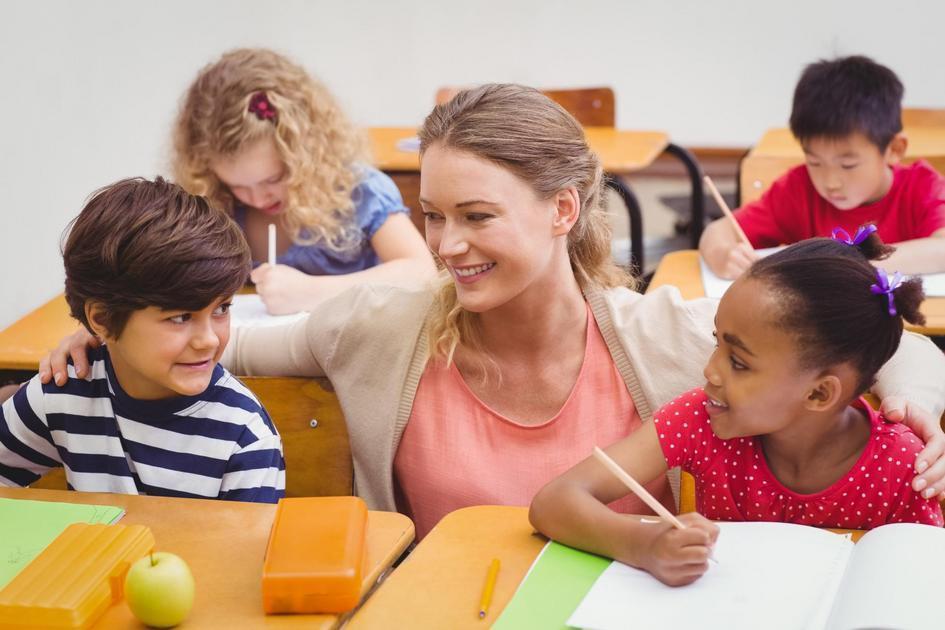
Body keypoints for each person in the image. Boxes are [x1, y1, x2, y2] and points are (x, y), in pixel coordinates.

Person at [40, 86, 945, 538]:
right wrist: (106, 331)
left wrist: (930, 405)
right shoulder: (377, 330)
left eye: (476, 216)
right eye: (432, 215)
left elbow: (878, 335)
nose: (444, 245)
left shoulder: (663, 338)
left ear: (560, 210)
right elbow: (221, 343)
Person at [529, 230, 943, 586]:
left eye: (739, 363)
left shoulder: (905, 467)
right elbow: (555, 502)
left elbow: (921, 582)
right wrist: (643, 544)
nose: (710, 371)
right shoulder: (698, 420)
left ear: (819, 394)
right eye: (717, 343)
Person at [2, 178, 285, 503]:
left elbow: (245, 553)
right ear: (102, 319)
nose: (208, 340)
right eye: (180, 317)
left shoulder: (245, 436)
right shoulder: (64, 391)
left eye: (221, 309)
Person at [173, 48, 435, 314]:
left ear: (306, 153)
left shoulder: (357, 191)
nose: (257, 198)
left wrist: (313, 292)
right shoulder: (218, 205)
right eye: (237, 186)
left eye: (274, 178)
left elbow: (421, 274)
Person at [700, 55, 945, 279]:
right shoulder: (798, 190)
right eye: (814, 162)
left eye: (848, 165)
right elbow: (717, 231)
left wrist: (851, 262)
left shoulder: (922, 187)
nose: (830, 181)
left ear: (894, 150)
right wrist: (724, 255)